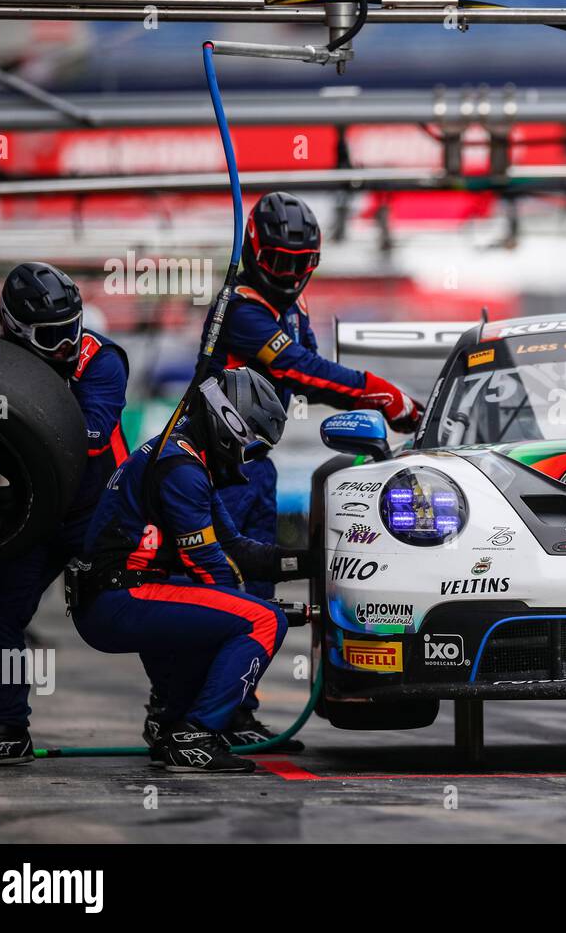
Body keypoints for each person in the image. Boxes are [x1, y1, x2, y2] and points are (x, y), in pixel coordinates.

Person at [75, 368, 309, 773]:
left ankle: (170, 722)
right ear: (228, 423)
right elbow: (208, 566)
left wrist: (311, 562)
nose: (248, 456)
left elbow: (236, 548)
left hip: (126, 594)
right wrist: (258, 608)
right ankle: (195, 733)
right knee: (263, 622)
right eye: (250, 442)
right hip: (118, 599)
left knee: (237, 611)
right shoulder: (180, 467)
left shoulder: (186, 457)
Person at [204, 191, 423, 599]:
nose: (288, 275)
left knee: (258, 593)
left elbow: (314, 379)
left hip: (256, 466)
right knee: (216, 583)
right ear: (254, 252)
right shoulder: (241, 310)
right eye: (277, 262)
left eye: (300, 263)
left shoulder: (293, 308)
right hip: (214, 472)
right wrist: (382, 393)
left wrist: (381, 403)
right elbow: (300, 368)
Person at [0, 264, 129, 768]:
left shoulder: (102, 360)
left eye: (73, 326)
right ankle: (6, 728)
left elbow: (90, 435)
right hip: (30, 515)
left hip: (96, 514)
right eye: (53, 335)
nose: (68, 342)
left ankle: (177, 716)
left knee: (131, 607)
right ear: (15, 328)